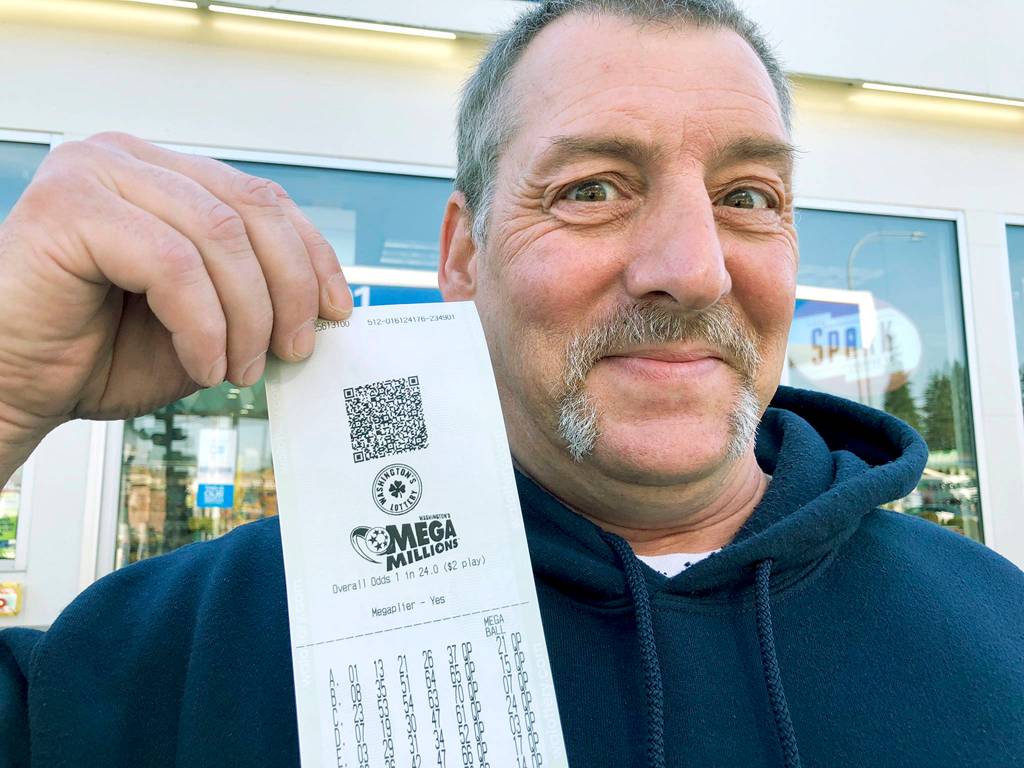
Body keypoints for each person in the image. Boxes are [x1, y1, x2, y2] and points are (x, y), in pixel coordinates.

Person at [0, 0, 1022, 766]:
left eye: (748, 196)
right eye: (591, 188)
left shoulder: (998, 632)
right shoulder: (185, 648)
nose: (694, 265)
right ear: (462, 256)